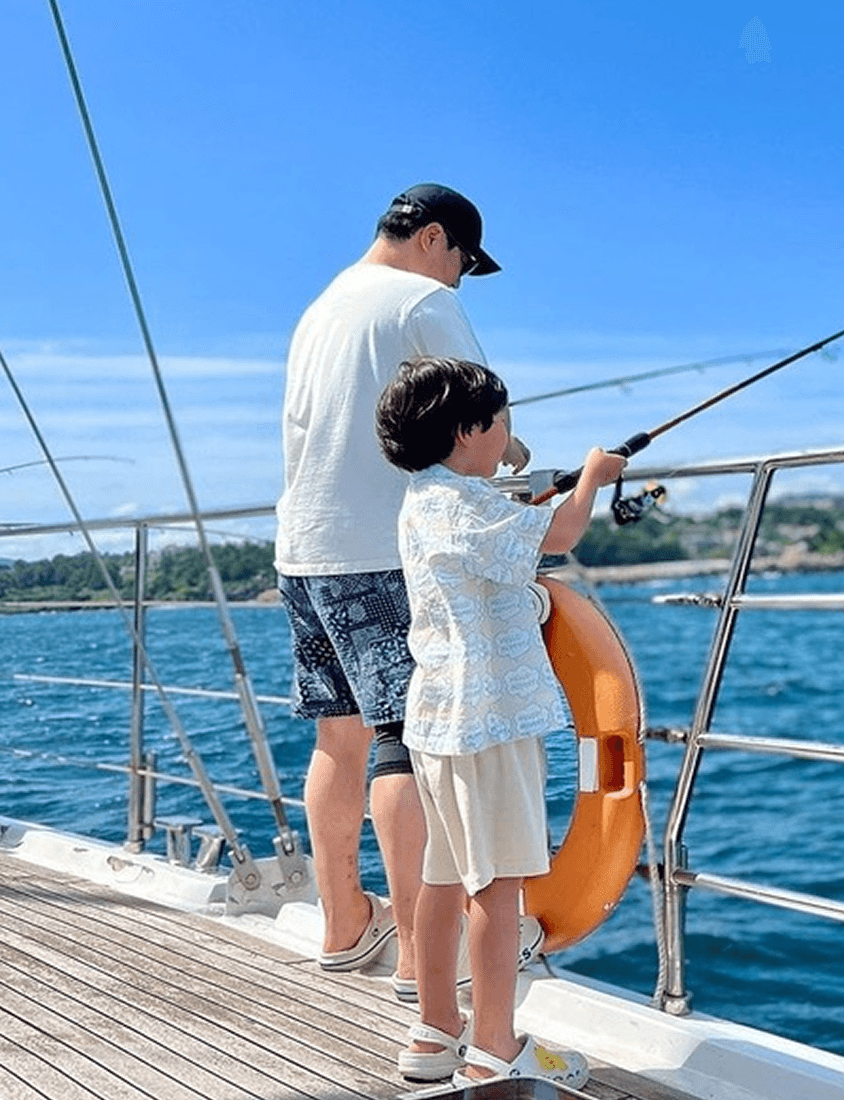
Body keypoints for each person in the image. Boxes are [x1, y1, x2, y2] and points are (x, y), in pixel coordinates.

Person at [274, 183, 529, 992]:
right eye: (462, 261)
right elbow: (477, 415)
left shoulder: (321, 306)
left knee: (338, 739)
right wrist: (518, 456)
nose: (458, 278)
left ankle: (346, 923)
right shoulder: (422, 299)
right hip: (382, 550)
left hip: (303, 550)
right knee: (403, 744)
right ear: (433, 239)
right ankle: (423, 960)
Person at [374, 356, 625, 1088]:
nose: (507, 434)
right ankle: (492, 1047)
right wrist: (591, 476)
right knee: (500, 886)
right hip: (491, 724)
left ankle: (432, 1032)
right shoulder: (470, 505)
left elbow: (492, 565)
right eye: (500, 422)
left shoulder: (427, 500)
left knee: (443, 880)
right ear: (465, 432)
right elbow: (561, 534)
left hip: (438, 721)